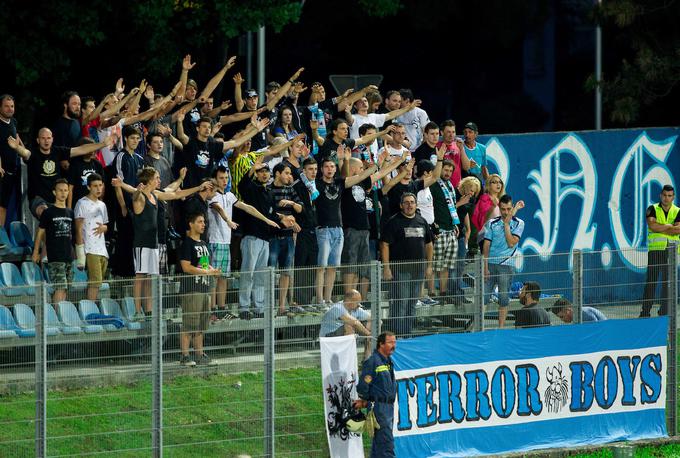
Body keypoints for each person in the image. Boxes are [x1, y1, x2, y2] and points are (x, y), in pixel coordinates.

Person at [314, 150, 378, 307]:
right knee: (322, 267)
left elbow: (360, 177)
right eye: (326, 167)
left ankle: (328, 299)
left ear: (335, 169)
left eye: (332, 166)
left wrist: (375, 165)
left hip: (338, 230)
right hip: (323, 229)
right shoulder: (316, 184)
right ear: (321, 169)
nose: (329, 169)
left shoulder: (339, 183)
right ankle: (319, 300)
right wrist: (344, 160)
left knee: (332, 268)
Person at [381, 193, 434, 336]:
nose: (409, 205)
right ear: (401, 205)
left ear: (416, 205)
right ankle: (397, 336)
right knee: (401, 303)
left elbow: (429, 245)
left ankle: (407, 334)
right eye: (406, 202)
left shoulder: (422, 221)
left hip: (419, 269)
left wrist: (429, 266)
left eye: (412, 202)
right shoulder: (394, 221)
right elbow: (384, 245)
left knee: (412, 303)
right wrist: (386, 268)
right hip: (400, 270)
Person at [178, 212, 221, 366]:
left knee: (201, 326)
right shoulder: (187, 243)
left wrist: (212, 270)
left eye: (204, 222)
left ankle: (199, 354)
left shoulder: (203, 243)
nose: (203, 224)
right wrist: (206, 272)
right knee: (189, 324)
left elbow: (203, 264)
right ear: (191, 224)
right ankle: (185, 356)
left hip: (204, 289)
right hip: (192, 289)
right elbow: (186, 267)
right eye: (200, 222)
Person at [482, 194, 525, 328]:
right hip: (491, 266)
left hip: (507, 266)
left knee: (503, 298)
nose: (505, 212)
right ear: (499, 208)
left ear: (511, 208)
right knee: (483, 298)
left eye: (508, 209)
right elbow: (486, 246)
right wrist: (485, 267)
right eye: (503, 209)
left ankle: (501, 328)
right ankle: (480, 326)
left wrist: (506, 224)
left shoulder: (519, 223)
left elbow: (511, 243)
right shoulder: (491, 223)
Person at [354, 331, 397, 458]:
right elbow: (363, 386)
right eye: (390, 342)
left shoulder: (388, 361)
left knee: (379, 446)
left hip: (388, 408)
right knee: (386, 445)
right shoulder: (373, 362)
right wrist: (367, 401)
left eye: (395, 342)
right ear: (381, 344)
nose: (393, 345)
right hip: (379, 409)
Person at [32, 179, 74, 306]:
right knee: (60, 287)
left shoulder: (70, 212)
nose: (63, 193)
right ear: (54, 192)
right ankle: (58, 318)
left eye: (65, 190)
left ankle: (61, 315)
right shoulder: (48, 212)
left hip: (68, 257)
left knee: (66, 288)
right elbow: (40, 233)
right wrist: (36, 252)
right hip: (55, 257)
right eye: (60, 190)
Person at [641, 184, 680, 317]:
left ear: (673, 197)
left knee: (667, 283)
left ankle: (664, 312)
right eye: (664, 195)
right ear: (660, 196)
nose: (666, 198)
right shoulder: (652, 209)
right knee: (651, 282)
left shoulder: (677, 211)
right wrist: (670, 226)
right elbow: (652, 226)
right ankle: (645, 312)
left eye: (669, 196)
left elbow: (678, 229)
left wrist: (662, 226)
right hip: (655, 251)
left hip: (671, 252)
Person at [74, 173, 109, 302]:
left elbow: (105, 225)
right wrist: (80, 251)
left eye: (100, 185)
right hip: (90, 248)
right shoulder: (81, 203)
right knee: (95, 282)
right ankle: (90, 310)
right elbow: (77, 228)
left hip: (102, 249)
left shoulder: (102, 205)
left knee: (97, 283)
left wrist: (105, 228)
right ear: (89, 187)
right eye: (95, 186)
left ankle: (90, 306)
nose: (98, 189)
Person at [319, 289, 372, 354]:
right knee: (348, 326)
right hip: (328, 336)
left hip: (343, 334)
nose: (359, 304)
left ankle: (367, 358)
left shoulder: (356, 308)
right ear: (349, 301)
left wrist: (374, 326)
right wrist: (369, 334)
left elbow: (372, 317)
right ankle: (348, 356)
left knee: (371, 323)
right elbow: (354, 322)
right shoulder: (337, 308)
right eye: (357, 302)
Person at [0, 94, 18, 226]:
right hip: (1, 171)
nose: (9, 109)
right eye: (6, 106)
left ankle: (1, 235)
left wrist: (25, 153)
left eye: (12, 106)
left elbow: (17, 138)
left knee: (4, 205)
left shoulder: (13, 122)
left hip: (12, 172)